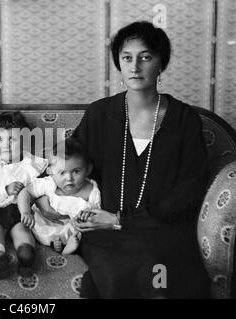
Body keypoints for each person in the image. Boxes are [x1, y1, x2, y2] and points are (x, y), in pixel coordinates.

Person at [68, 21, 210, 298]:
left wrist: (122, 219)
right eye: (126, 57)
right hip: (103, 230)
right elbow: (69, 166)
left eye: (145, 57)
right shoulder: (99, 114)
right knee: (109, 268)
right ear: (119, 64)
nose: (135, 66)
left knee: (157, 261)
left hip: (163, 228)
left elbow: (190, 188)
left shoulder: (184, 119)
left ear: (161, 64)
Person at [0, 111, 47, 279]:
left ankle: (26, 254)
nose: (6, 145)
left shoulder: (32, 165)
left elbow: (41, 191)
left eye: (12, 139)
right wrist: (5, 190)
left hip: (18, 212)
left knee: (22, 229)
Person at [17, 138, 101, 255]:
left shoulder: (91, 191)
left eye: (76, 171)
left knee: (83, 230)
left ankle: (65, 248)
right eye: (62, 173)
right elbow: (25, 192)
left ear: (88, 170)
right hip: (42, 225)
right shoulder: (50, 183)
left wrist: (89, 214)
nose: (69, 178)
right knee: (24, 225)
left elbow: (98, 215)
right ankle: (54, 245)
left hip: (70, 230)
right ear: (50, 171)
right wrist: (25, 212)